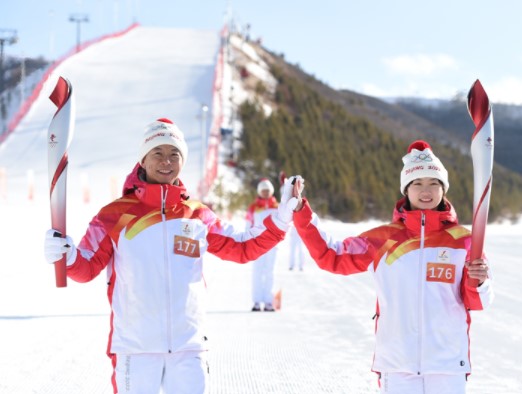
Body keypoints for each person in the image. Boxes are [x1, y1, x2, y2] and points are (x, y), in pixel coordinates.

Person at [43, 118, 299, 394]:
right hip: (135, 349)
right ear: (143, 159)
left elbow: (242, 247)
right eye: (158, 153)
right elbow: (87, 267)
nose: (167, 161)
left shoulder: (198, 214)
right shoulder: (114, 215)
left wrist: (282, 218)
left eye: (174, 154)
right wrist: (67, 257)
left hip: (188, 347)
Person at [290, 140, 494, 394]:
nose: (426, 190)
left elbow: (476, 302)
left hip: (447, 363)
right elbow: (331, 256)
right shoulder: (381, 240)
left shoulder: (464, 241)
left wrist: (481, 281)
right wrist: (301, 212)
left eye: (433, 183)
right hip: (397, 364)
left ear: (443, 189)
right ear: (406, 190)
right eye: (417, 183)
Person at [246, 178, 279, 311]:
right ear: (260, 191)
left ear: (271, 191)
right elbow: (248, 225)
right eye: (263, 191)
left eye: (267, 191)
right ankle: (257, 302)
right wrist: (247, 239)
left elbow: (282, 224)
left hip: (272, 244)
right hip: (257, 244)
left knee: (270, 271)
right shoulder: (253, 207)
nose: (265, 193)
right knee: (257, 272)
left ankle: (269, 302)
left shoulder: (277, 207)